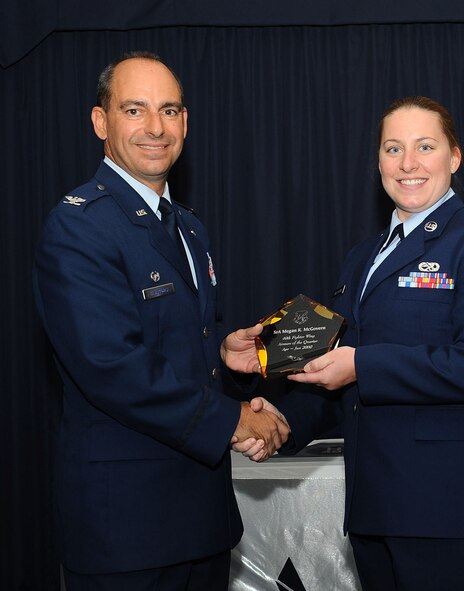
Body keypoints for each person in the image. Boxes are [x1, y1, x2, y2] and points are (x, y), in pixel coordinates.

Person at [238, 96, 464, 590]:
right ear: (378, 162)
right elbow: (338, 374)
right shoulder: (362, 258)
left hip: (453, 513)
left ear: (454, 158)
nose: (408, 163)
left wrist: (360, 366)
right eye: (393, 149)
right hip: (376, 512)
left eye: (425, 146)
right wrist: (284, 421)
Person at [32, 51, 289, 590]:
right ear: (101, 122)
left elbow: (169, 339)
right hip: (125, 530)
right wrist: (234, 420)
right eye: (135, 110)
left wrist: (220, 351)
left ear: (186, 122)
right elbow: (111, 365)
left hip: (200, 519)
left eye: (169, 110)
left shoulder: (188, 227)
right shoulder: (79, 227)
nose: (155, 127)